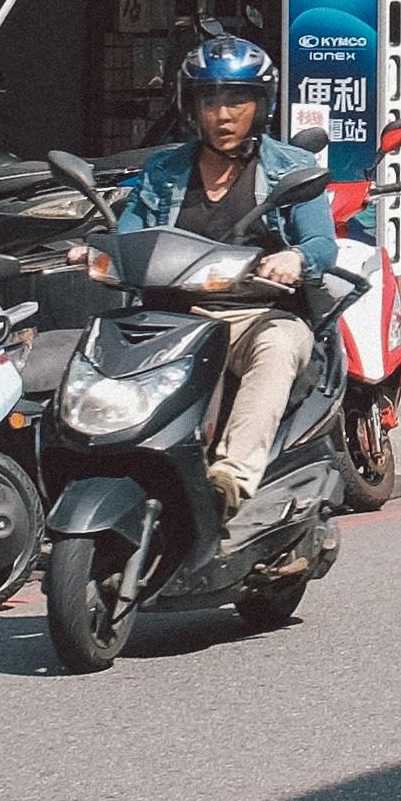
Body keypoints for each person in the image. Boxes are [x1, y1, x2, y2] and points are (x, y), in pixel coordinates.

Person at [114, 31, 339, 519]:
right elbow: (129, 235)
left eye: (238, 101)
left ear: (261, 106)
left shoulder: (289, 168)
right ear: (191, 108)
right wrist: (95, 253)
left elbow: (322, 243)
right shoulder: (162, 170)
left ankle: (232, 476)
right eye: (210, 101)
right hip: (174, 319)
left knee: (278, 349)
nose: (223, 115)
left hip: (258, 317)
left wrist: (296, 259)